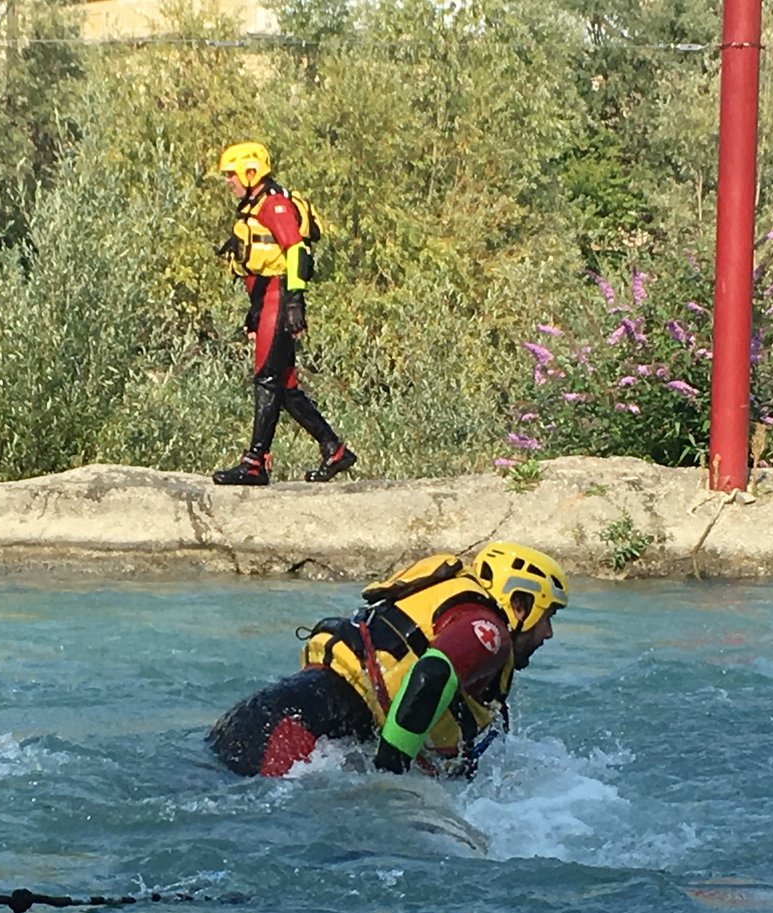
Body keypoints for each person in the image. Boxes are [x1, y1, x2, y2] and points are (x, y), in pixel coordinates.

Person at [207, 542, 569, 777]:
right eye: (548, 615)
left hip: (273, 717)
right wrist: (390, 772)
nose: (548, 632)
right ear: (520, 603)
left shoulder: (461, 610)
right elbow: (431, 675)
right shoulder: (487, 630)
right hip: (295, 730)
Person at [212, 140, 357, 487]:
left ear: (251, 172)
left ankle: (255, 462)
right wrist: (254, 313)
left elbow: (297, 252)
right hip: (268, 300)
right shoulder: (254, 204)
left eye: (232, 175)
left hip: (281, 297)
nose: (229, 181)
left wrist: (295, 302)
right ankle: (334, 450)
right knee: (286, 386)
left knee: (266, 378)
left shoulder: (274, 204)